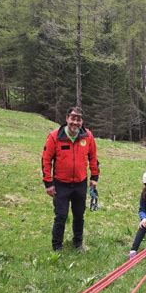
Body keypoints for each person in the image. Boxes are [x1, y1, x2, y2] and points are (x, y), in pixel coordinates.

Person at [42, 106, 99, 251]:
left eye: (78, 119)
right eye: (73, 118)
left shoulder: (88, 136)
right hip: (61, 184)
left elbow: (93, 157)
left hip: (80, 183)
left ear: (82, 121)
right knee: (61, 216)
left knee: (79, 215)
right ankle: (57, 247)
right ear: (67, 118)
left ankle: (78, 244)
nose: (75, 122)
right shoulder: (54, 137)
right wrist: (48, 183)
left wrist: (94, 177)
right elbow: (46, 160)